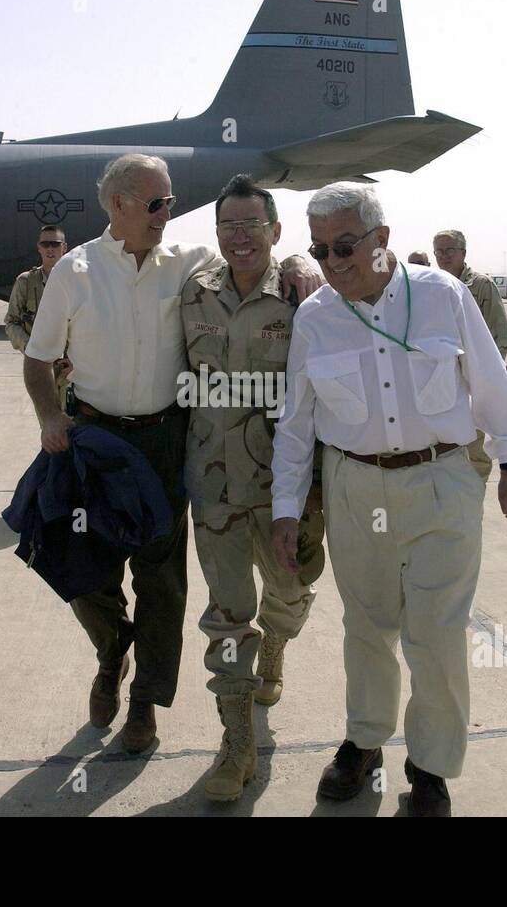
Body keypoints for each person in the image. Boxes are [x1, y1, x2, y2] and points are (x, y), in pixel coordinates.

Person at [22, 154, 320, 754]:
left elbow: (254, 254)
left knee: (162, 577)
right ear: (119, 206)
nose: (168, 212)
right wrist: (51, 416)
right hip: (95, 440)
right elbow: (37, 357)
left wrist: (300, 258)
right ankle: (113, 650)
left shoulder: (189, 264)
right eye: (157, 203)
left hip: (165, 439)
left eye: (171, 202)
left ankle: (145, 705)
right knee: (83, 569)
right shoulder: (74, 270)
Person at [270, 182, 507, 817]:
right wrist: (286, 506)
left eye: (344, 246)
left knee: (436, 634)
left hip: (442, 480)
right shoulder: (316, 317)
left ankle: (430, 767)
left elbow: (492, 382)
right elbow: (296, 422)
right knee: (366, 624)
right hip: (354, 486)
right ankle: (364, 743)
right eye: (321, 250)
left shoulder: (444, 296)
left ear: (381, 239)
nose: (333, 263)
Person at [180, 174, 325, 801]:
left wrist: (305, 264)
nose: (240, 238)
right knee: (226, 615)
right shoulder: (191, 293)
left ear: (275, 231)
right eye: (228, 227)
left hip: (287, 490)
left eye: (252, 225)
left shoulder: (304, 298)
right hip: (212, 486)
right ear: (216, 234)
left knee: (291, 594)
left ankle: (277, 650)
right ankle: (235, 744)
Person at [433, 229, 507, 481]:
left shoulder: (481, 285)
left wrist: (485, 378)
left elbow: (499, 335)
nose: (443, 256)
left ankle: (474, 500)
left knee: (474, 447)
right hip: (440, 382)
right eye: (439, 251)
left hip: (473, 380)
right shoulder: (430, 286)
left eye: (449, 250)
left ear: (463, 253)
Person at [4, 225, 72, 406]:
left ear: (64, 247)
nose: (50, 248)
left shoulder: (77, 281)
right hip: (41, 368)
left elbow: (91, 325)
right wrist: (30, 349)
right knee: (49, 422)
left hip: (72, 367)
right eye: (46, 243)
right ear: (39, 247)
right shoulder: (25, 282)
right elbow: (11, 322)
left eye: (55, 244)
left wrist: (78, 358)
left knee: (75, 424)